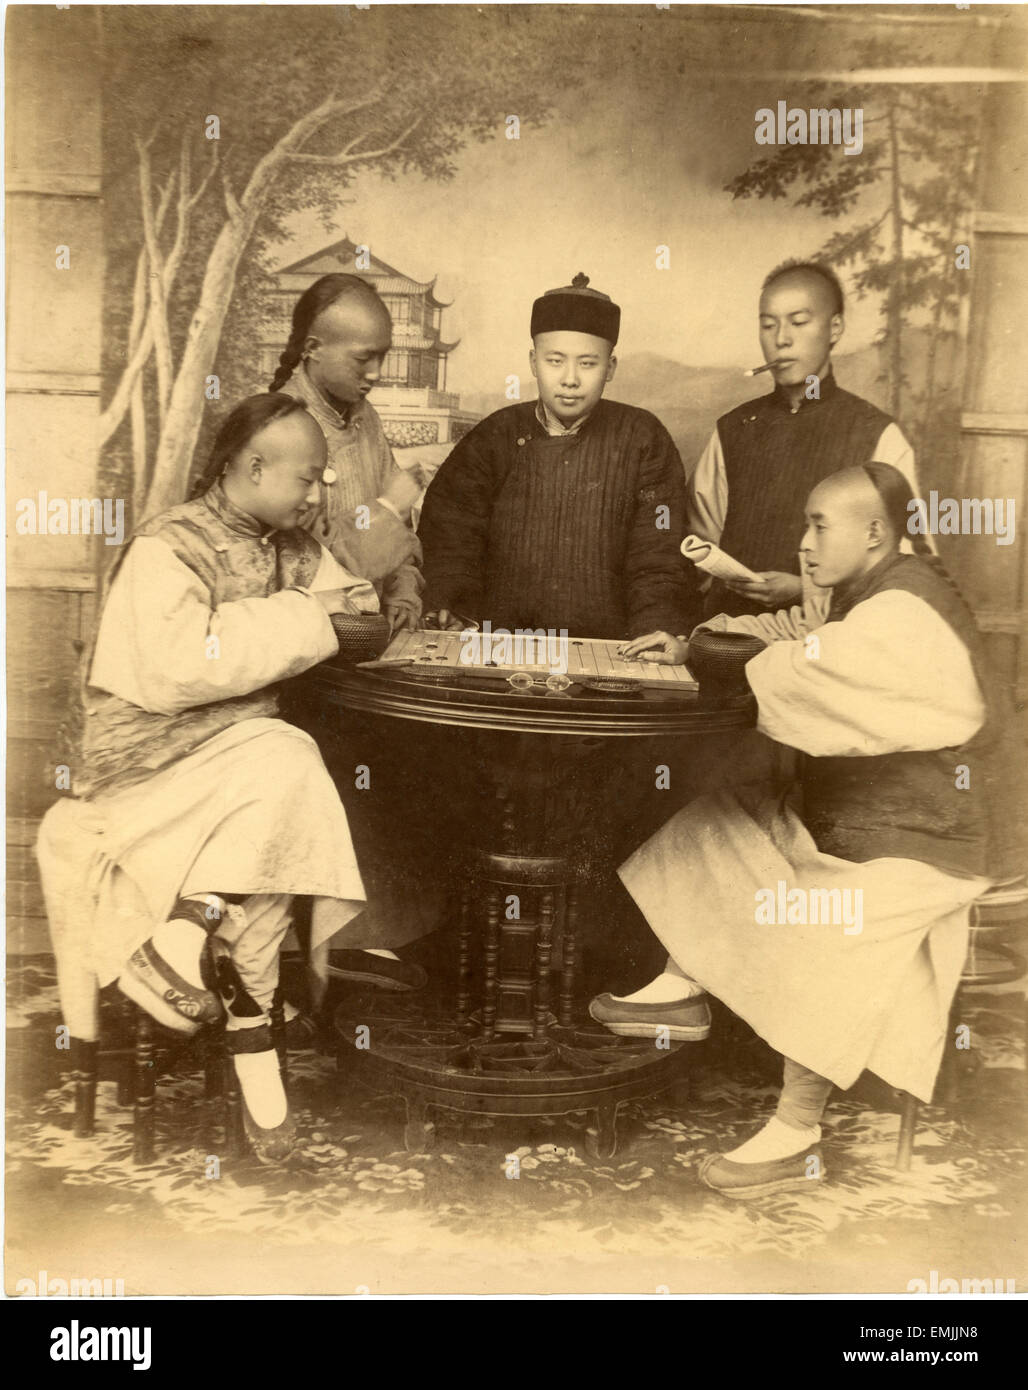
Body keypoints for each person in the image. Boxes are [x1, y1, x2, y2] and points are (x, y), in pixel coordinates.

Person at [590, 463, 1025, 1197]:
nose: (803, 543)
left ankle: (797, 1131)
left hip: (941, 838)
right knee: (712, 822)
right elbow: (795, 632)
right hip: (873, 820)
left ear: (876, 533)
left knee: (829, 932)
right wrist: (693, 642)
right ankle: (683, 984)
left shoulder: (905, 611)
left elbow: (814, 665)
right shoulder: (869, 590)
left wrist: (730, 661)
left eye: (820, 526)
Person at [37, 394, 422, 1165]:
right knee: (286, 761)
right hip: (142, 773)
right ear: (252, 468)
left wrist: (360, 587)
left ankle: (186, 937)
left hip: (232, 770)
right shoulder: (169, 545)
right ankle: (252, 1035)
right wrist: (308, 622)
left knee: (281, 767)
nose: (318, 497)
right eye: (309, 480)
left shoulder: (290, 542)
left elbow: (355, 599)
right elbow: (182, 668)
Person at [419, 273, 698, 639]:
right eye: (555, 361)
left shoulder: (643, 437)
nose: (570, 379)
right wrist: (449, 604)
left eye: (587, 363)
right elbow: (450, 533)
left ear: (610, 368)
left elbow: (659, 550)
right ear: (533, 362)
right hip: (498, 643)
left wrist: (656, 628)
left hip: (610, 647)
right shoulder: (494, 435)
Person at [687, 260, 930, 621]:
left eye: (799, 322)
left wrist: (806, 588)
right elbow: (697, 548)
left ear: (835, 327)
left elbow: (908, 568)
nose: (781, 339)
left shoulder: (876, 433)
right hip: (726, 638)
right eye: (768, 325)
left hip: (830, 647)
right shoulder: (734, 428)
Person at [270, 273, 424, 633]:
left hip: (372, 634)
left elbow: (402, 537)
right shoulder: (276, 426)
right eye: (363, 359)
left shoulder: (366, 419)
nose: (377, 373)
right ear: (312, 349)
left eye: (383, 357)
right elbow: (303, 561)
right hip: (307, 641)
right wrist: (387, 509)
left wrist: (403, 592)